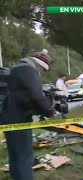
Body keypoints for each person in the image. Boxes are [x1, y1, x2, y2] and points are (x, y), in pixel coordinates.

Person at [1, 49, 55, 180]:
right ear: (40, 65)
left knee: (15, 156)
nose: (41, 73)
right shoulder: (29, 70)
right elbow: (37, 97)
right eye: (42, 70)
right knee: (25, 157)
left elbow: (22, 96)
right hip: (19, 119)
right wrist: (50, 110)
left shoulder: (15, 69)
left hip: (7, 117)